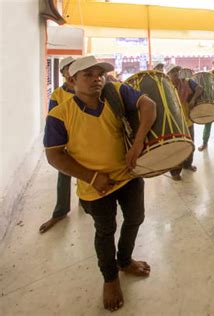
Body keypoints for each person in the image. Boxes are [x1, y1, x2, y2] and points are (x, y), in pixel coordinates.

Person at [43, 55, 157, 311]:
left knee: (135, 218)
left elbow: (148, 105)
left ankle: (125, 260)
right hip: (95, 187)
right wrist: (92, 177)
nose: (97, 79)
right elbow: (53, 155)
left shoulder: (115, 91)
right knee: (105, 231)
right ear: (71, 80)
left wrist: (138, 143)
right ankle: (110, 279)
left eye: (100, 74)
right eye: (88, 75)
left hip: (128, 175)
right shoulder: (59, 114)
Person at [39, 56, 76, 234]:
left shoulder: (85, 89)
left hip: (88, 140)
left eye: (73, 68)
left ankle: (89, 203)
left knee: (92, 171)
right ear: (62, 73)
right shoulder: (57, 95)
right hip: (68, 142)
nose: (71, 72)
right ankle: (60, 211)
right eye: (67, 69)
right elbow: (54, 122)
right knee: (65, 174)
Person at [166, 64, 203, 180]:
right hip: (175, 123)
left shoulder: (186, 82)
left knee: (190, 145)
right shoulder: (166, 87)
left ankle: (188, 165)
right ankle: (175, 172)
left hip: (187, 120)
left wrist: (192, 100)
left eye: (177, 71)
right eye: (172, 72)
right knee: (177, 148)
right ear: (168, 75)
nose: (176, 73)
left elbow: (200, 88)